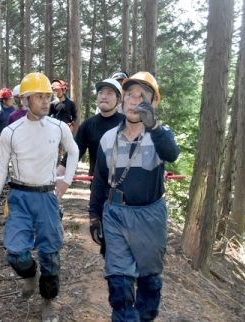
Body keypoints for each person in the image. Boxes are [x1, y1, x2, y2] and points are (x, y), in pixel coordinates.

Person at [88, 72, 180, 321]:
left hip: (150, 217)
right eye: (130, 95)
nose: (134, 100)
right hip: (116, 215)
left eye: (142, 96)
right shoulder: (109, 139)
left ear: (153, 104)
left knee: (149, 284)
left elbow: (171, 154)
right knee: (119, 284)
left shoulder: (160, 136)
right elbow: (99, 181)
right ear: (123, 100)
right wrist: (94, 216)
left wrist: (155, 127)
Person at [0, 72, 79, 321]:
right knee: (15, 252)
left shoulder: (59, 127)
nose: (45, 101)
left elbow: (74, 150)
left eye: (47, 96)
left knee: (50, 253)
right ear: (25, 100)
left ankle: (48, 299)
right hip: (19, 196)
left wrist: (66, 182)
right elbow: (0, 168)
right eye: (39, 96)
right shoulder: (11, 132)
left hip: (47, 198)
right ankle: (30, 276)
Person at [59, 78, 125, 178]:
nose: (103, 96)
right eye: (100, 93)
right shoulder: (88, 125)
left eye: (109, 93)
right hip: (96, 186)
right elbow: (75, 151)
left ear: (118, 99)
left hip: (124, 186)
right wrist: (60, 171)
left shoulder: (127, 124)